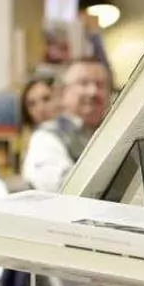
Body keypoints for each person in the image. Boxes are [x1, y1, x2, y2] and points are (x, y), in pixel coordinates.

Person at [22, 59, 111, 192]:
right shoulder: (46, 138)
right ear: (63, 91)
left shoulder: (114, 130)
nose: (93, 91)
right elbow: (65, 190)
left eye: (100, 84)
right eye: (83, 83)